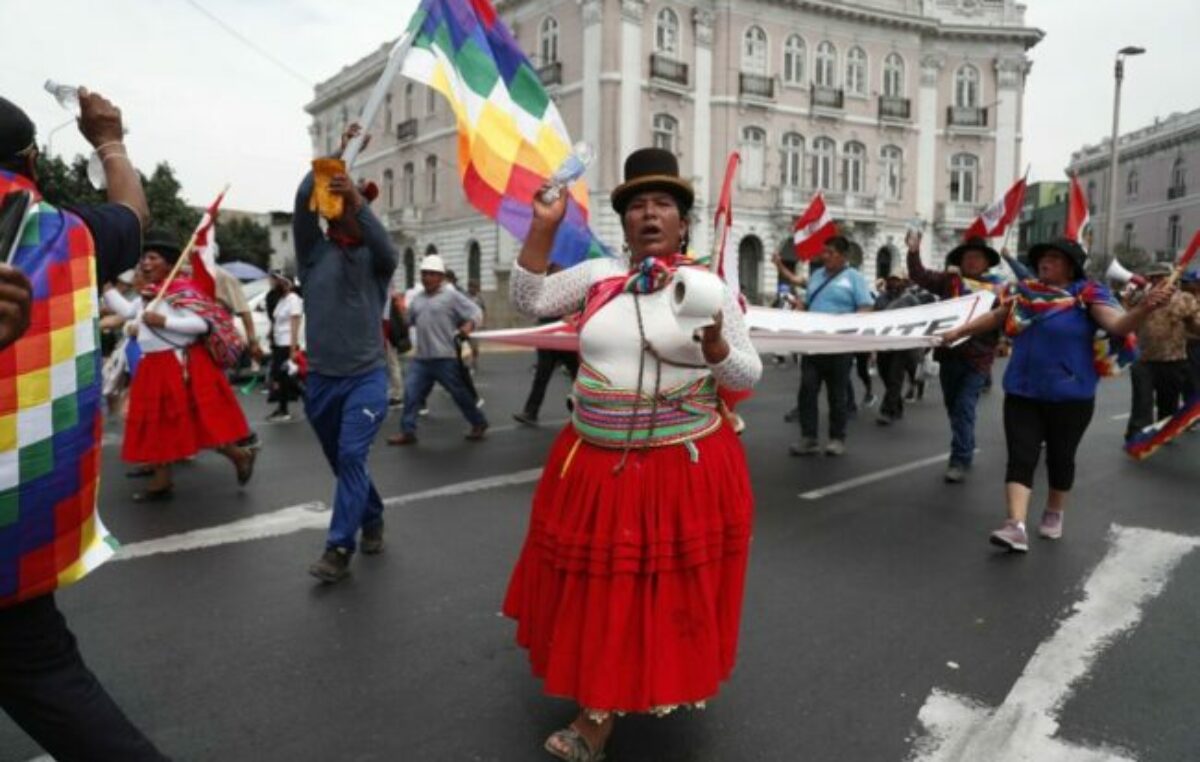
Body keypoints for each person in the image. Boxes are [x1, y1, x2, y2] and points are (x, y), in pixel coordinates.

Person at [504, 148, 761, 761]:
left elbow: (747, 371)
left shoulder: (713, 288)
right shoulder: (596, 277)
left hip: (682, 466)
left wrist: (720, 346)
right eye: (637, 205)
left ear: (682, 222)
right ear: (623, 223)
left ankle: (652, 679)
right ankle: (597, 708)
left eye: (663, 205)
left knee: (659, 591)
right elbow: (527, 298)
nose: (649, 215)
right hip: (594, 463)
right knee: (599, 590)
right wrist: (542, 227)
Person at [0, 91, 169, 760]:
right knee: (50, 681)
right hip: (20, 520)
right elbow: (132, 211)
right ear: (33, 160)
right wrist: (110, 139)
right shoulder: (67, 233)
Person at [941, 238, 1172, 552]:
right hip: (1022, 391)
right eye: (1042, 258)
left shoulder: (1087, 296)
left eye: (1053, 258)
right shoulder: (1025, 293)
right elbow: (996, 317)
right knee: (1021, 456)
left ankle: (1054, 510)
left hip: (1071, 395)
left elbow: (1118, 325)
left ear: (1070, 266)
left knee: (1060, 459)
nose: (1044, 263)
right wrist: (958, 332)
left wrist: (1145, 308)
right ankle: (1015, 525)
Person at [294, 124, 399, 583]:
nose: (344, 210)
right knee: (342, 462)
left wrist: (357, 198)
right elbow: (303, 199)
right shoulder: (314, 253)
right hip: (320, 380)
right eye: (340, 204)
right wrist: (338, 154)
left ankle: (339, 547)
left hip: (365, 378)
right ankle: (371, 515)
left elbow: (388, 247)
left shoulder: (378, 262)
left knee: (352, 457)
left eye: (355, 205)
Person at [111, 230, 257, 501]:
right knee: (158, 426)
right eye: (144, 258)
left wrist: (165, 322)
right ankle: (162, 480)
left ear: (168, 263)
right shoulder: (150, 294)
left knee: (196, 423)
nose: (145, 263)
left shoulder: (182, 291)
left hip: (176, 366)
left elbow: (201, 325)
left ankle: (239, 455)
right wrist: (106, 288)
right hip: (153, 365)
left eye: (152, 258)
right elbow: (126, 311)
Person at [907, 233, 1006, 483]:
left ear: (986, 263)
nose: (972, 261)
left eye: (977, 257)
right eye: (968, 257)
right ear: (960, 261)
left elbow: (1005, 321)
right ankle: (967, 445)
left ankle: (959, 458)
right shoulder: (948, 282)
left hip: (978, 360)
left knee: (964, 407)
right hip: (949, 356)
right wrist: (913, 251)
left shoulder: (998, 291)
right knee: (954, 408)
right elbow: (919, 274)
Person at [387, 254, 488, 444]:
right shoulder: (417, 299)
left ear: (441, 277)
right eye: (424, 274)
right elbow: (408, 321)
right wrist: (397, 312)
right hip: (422, 359)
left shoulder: (451, 296)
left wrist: (469, 326)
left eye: (432, 274)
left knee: (459, 394)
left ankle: (479, 422)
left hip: (446, 358)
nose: (427, 278)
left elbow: (476, 312)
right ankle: (408, 431)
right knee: (411, 393)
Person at [788, 235, 874, 456]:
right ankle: (809, 438)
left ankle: (837, 438)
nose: (825, 256)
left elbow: (865, 308)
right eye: (823, 252)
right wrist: (799, 307)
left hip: (839, 347)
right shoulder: (817, 275)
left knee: (837, 395)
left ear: (843, 256)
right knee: (807, 390)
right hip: (813, 345)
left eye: (830, 253)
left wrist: (850, 328)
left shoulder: (854, 278)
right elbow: (807, 303)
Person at [1123, 263, 1200, 438]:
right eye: (1153, 277)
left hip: (1173, 360)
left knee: (1168, 403)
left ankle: (1164, 433)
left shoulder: (1185, 298)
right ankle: (1137, 436)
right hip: (1143, 359)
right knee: (1142, 402)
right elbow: (1123, 316)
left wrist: (1190, 321)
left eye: (1161, 276)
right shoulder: (1141, 297)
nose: (1157, 280)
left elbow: (1198, 328)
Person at [513, 264, 580, 426]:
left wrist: (571, 316)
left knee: (578, 376)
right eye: (555, 271)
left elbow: (580, 309)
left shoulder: (573, 289)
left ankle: (585, 410)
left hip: (565, 339)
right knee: (541, 377)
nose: (559, 273)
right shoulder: (543, 288)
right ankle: (530, 412)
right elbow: (536, 308)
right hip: (547, 338)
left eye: (561, 271)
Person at [873, 269, 930, 425]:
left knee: (894, 378)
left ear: (903, 282)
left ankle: (887, 411)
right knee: (885, 376)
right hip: (884, 344)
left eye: (896, 280)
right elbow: (874, 319)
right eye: (891, 279)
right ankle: (897, 407)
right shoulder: (881, 299)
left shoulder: (910, 300)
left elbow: (920, 319)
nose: (893, 283)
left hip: (902, 345)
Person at [266, 272, 303, 422]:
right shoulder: (282, 300)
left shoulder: (294, 300)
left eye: (280, 281)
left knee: (284, 377)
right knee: (280, 376)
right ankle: (282, 408)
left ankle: (284, 410)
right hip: (278, 342)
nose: (276, 284)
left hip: (287, 343)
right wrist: (270, 333)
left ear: (287, 283)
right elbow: (277, 320)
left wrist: (293, 349)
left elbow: (295, 324)